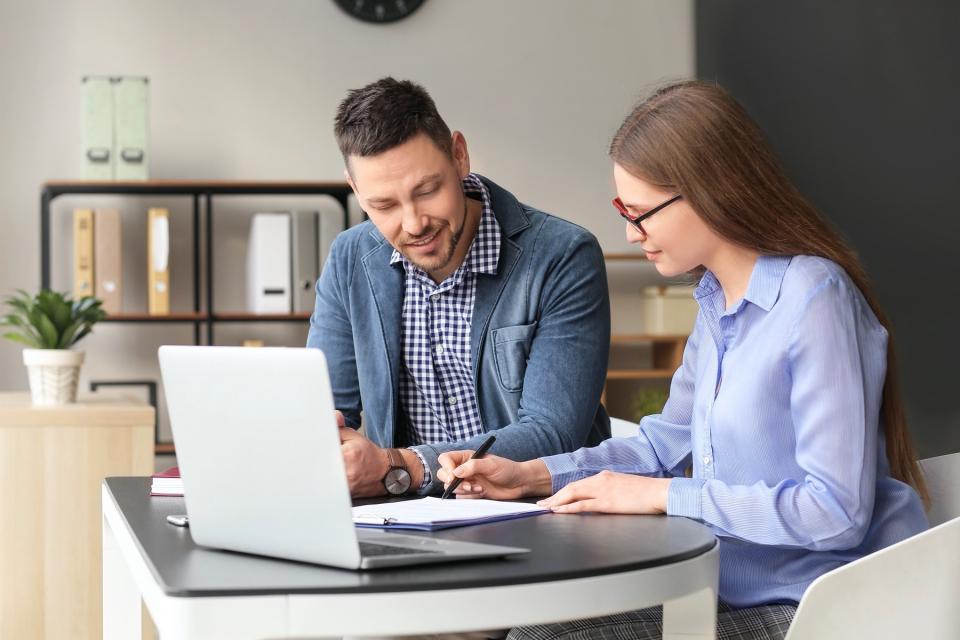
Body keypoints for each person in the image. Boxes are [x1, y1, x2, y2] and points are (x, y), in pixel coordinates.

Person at [437, 80, 930, 640]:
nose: (629, 232)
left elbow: (834, 512)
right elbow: (662, 445)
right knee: (538, 630)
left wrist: (660, 496)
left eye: (641, 211)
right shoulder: (717, 305)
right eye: (623, 209)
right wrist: (529, 476)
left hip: (822, 607)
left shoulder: (815, 299)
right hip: (723, 592)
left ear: (710, 190)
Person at [307, 77, 611, 498]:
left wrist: (405, 467)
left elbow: (554, 434)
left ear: (459, 156)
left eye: (428, 191)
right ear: (356, 190)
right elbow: (322, 412)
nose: (414, 224)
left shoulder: (562, 256)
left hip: (535, 513)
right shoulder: (350, 258)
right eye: (384, 205)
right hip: (400, 516)